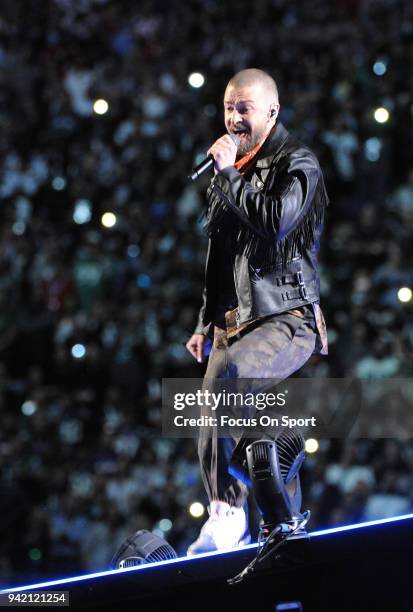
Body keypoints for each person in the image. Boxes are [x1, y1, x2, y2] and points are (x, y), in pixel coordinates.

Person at [185, 68, 329, 555]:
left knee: (226, 372)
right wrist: (206, 319)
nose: (232, 117)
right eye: (227, 107)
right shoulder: (233, 172)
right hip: (239, 322)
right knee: (245, 420)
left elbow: (276, 222)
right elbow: (219, 257)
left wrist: (228, 173)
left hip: (288, 318)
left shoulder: (299, 163)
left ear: (272, 111)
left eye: (242, 108)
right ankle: (272, 519)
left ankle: (229, 512)